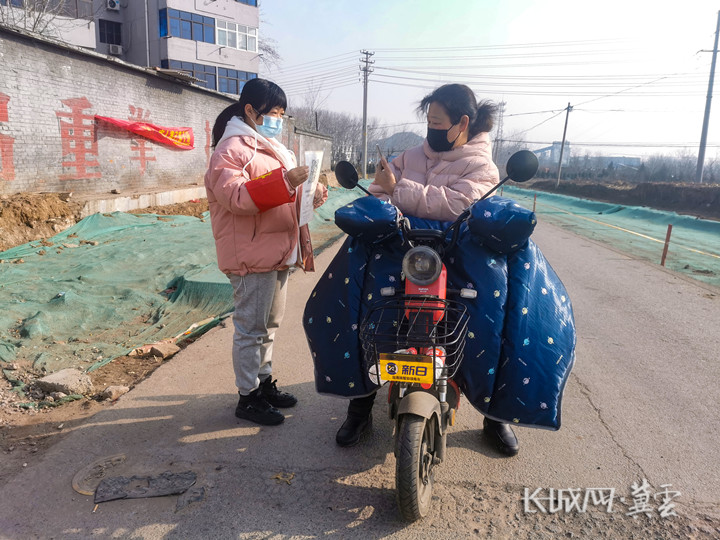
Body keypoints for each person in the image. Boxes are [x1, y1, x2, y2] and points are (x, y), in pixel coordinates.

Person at [335, 83, 519, 456]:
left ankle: (494, 413)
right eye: (429, 121)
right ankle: (360, 402)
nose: (431, 129)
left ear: (462, 123)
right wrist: (384, 190)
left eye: (438, 121)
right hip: (404, 252)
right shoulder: (408, 156)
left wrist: (398, 189)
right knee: (367, 306)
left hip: (458, 257)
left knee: (494, 315)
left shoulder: (482, 165)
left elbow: (457, 205)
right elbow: (379, 194)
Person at [205, 78, 327, 426]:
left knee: (269, 325)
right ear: (250, 111)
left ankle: (263, 381)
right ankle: (248, 396)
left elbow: (289, 193)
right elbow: (238, 197)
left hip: (278, 250)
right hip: (251, 254)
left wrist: (312, 191)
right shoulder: (230, 150)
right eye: (272, 112)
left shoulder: (272, 146)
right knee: (250, 329)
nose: (277, 118)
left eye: (281, 113)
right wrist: (287, 182)